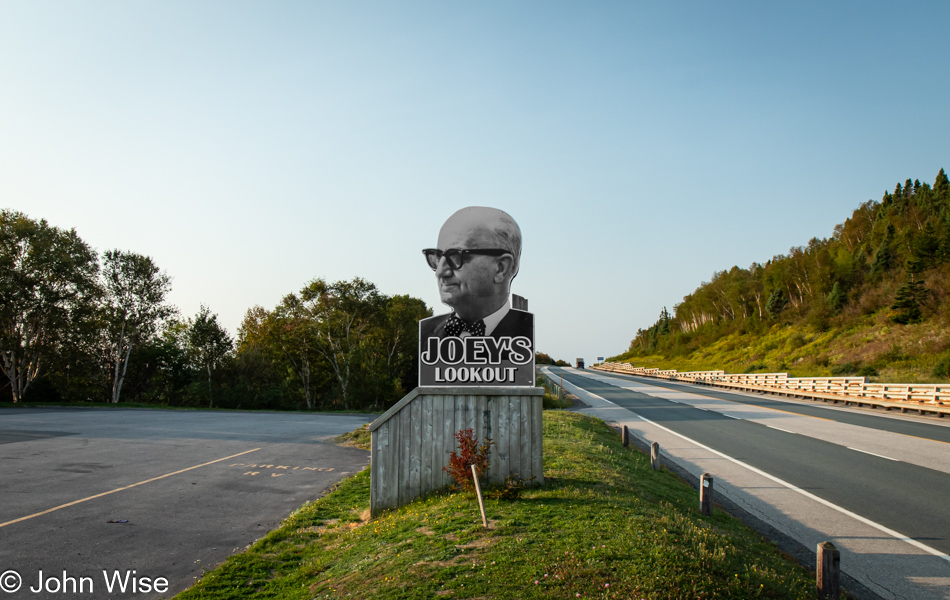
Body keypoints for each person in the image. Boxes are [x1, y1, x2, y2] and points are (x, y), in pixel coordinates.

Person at [419, 206, 533, 341]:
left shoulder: (524, 332)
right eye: (437, 257)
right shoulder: (427, 332)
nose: (440, 272)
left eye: (456, 256)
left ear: (501, 267)